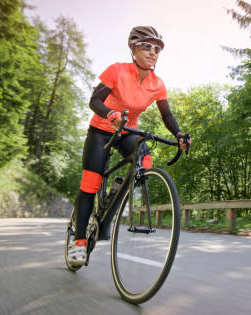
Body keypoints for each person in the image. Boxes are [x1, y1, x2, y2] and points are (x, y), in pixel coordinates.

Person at [67, 26, 189, 265]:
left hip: (127, 131)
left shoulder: (158, 84)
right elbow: (94, 100)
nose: (153, 52)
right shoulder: (117, 70)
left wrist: (179, 134)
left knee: (144, 157)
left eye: (157, 49)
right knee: (91, 183)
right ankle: (79, 241)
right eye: (147, 46)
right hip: (101, 129)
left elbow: (167, 115)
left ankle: (116, 203)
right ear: (133, 48)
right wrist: (110, 113)